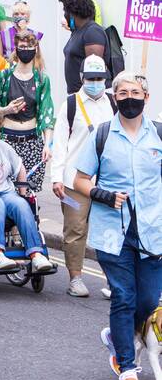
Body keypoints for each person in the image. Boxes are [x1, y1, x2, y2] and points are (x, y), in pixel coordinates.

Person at [71, 71, 162, 380]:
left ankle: (117, 334)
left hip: (153, 232)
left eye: (134, 92)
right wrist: (103, 194)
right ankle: (126, 367)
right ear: (115, 98)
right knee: (123, 296)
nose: (128, 98)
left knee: (149, 300)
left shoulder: (159, 136)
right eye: (121, 93)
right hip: (114, 232)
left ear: (146, 98)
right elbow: (80, 180)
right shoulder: (102, 134)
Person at [50, 55, 115, 298]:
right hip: (73, 181)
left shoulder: (112, 103)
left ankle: (112, 280)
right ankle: (75, 278)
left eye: (99, 78)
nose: (95, 83)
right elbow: (60, 144)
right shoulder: (71, 104)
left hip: (106, 180)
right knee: (75, 229)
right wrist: (56, 178)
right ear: (82, 78)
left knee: (109, 230)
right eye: (91, 78)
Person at [0, 108, 54, 273]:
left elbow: (20, 169)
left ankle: (36, 254)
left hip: (5, 191)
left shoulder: (4, 147)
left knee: (20, 203)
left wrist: (22, 193)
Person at [0, 28, 54, 193]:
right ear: (15, 49)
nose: (25, 51)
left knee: (30, 192)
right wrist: (7, 109)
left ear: (36, 50)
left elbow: (47, 113)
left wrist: (47, 144)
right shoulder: (4, 77)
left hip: (32, 141)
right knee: (7, 189)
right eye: (22, 47)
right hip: (7, 141)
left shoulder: (41, 79)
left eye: (29, 47)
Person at [59, 0, 107, 95]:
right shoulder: (77, 31)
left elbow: (94, 70)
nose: (65, 15)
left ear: (72, 12)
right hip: (77, 96)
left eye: (65, 11)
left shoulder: (92, 32)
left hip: (88, 97)